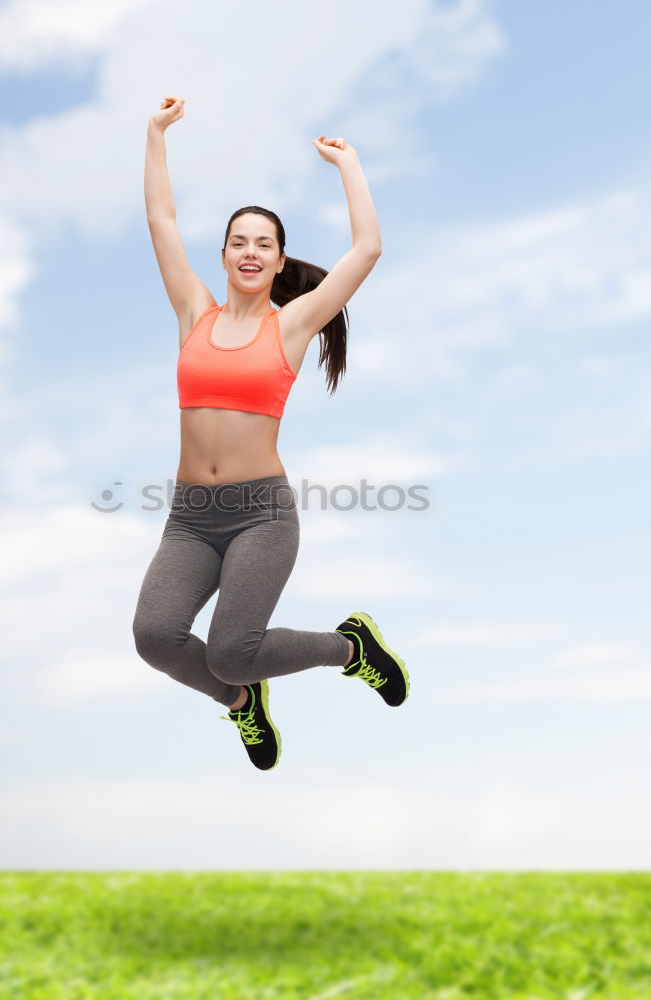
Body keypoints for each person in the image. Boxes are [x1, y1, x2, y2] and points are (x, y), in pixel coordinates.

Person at [132, 95, 410, 771]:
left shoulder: (289, 325)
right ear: (224, 256)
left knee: (232, 650)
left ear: (279, 261)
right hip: (190, 517)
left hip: (260, 514)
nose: (250, 252)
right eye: (238, 242)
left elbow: (367, 248)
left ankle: (352, 649)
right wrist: (156, 133)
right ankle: (240, 705)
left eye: (264, 243)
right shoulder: (192, 310)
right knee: (155, 637)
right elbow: (160, 218)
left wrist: (347, 165)